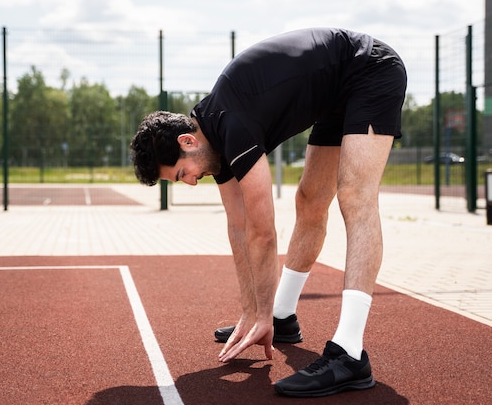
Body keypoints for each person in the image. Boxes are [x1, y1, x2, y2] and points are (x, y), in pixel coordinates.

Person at [130, 28, 406, 398]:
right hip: (336, 93)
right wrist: (252, 310)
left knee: (355, 197)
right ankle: (282, 315)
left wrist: (259, 315)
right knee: (309, 200)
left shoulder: (231, 124)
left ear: (187, 142)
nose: (191, 183)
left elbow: (263, 232)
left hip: (369, 69)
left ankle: (350, 353)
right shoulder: (211, 140)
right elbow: (238, 228)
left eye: (182, 174)